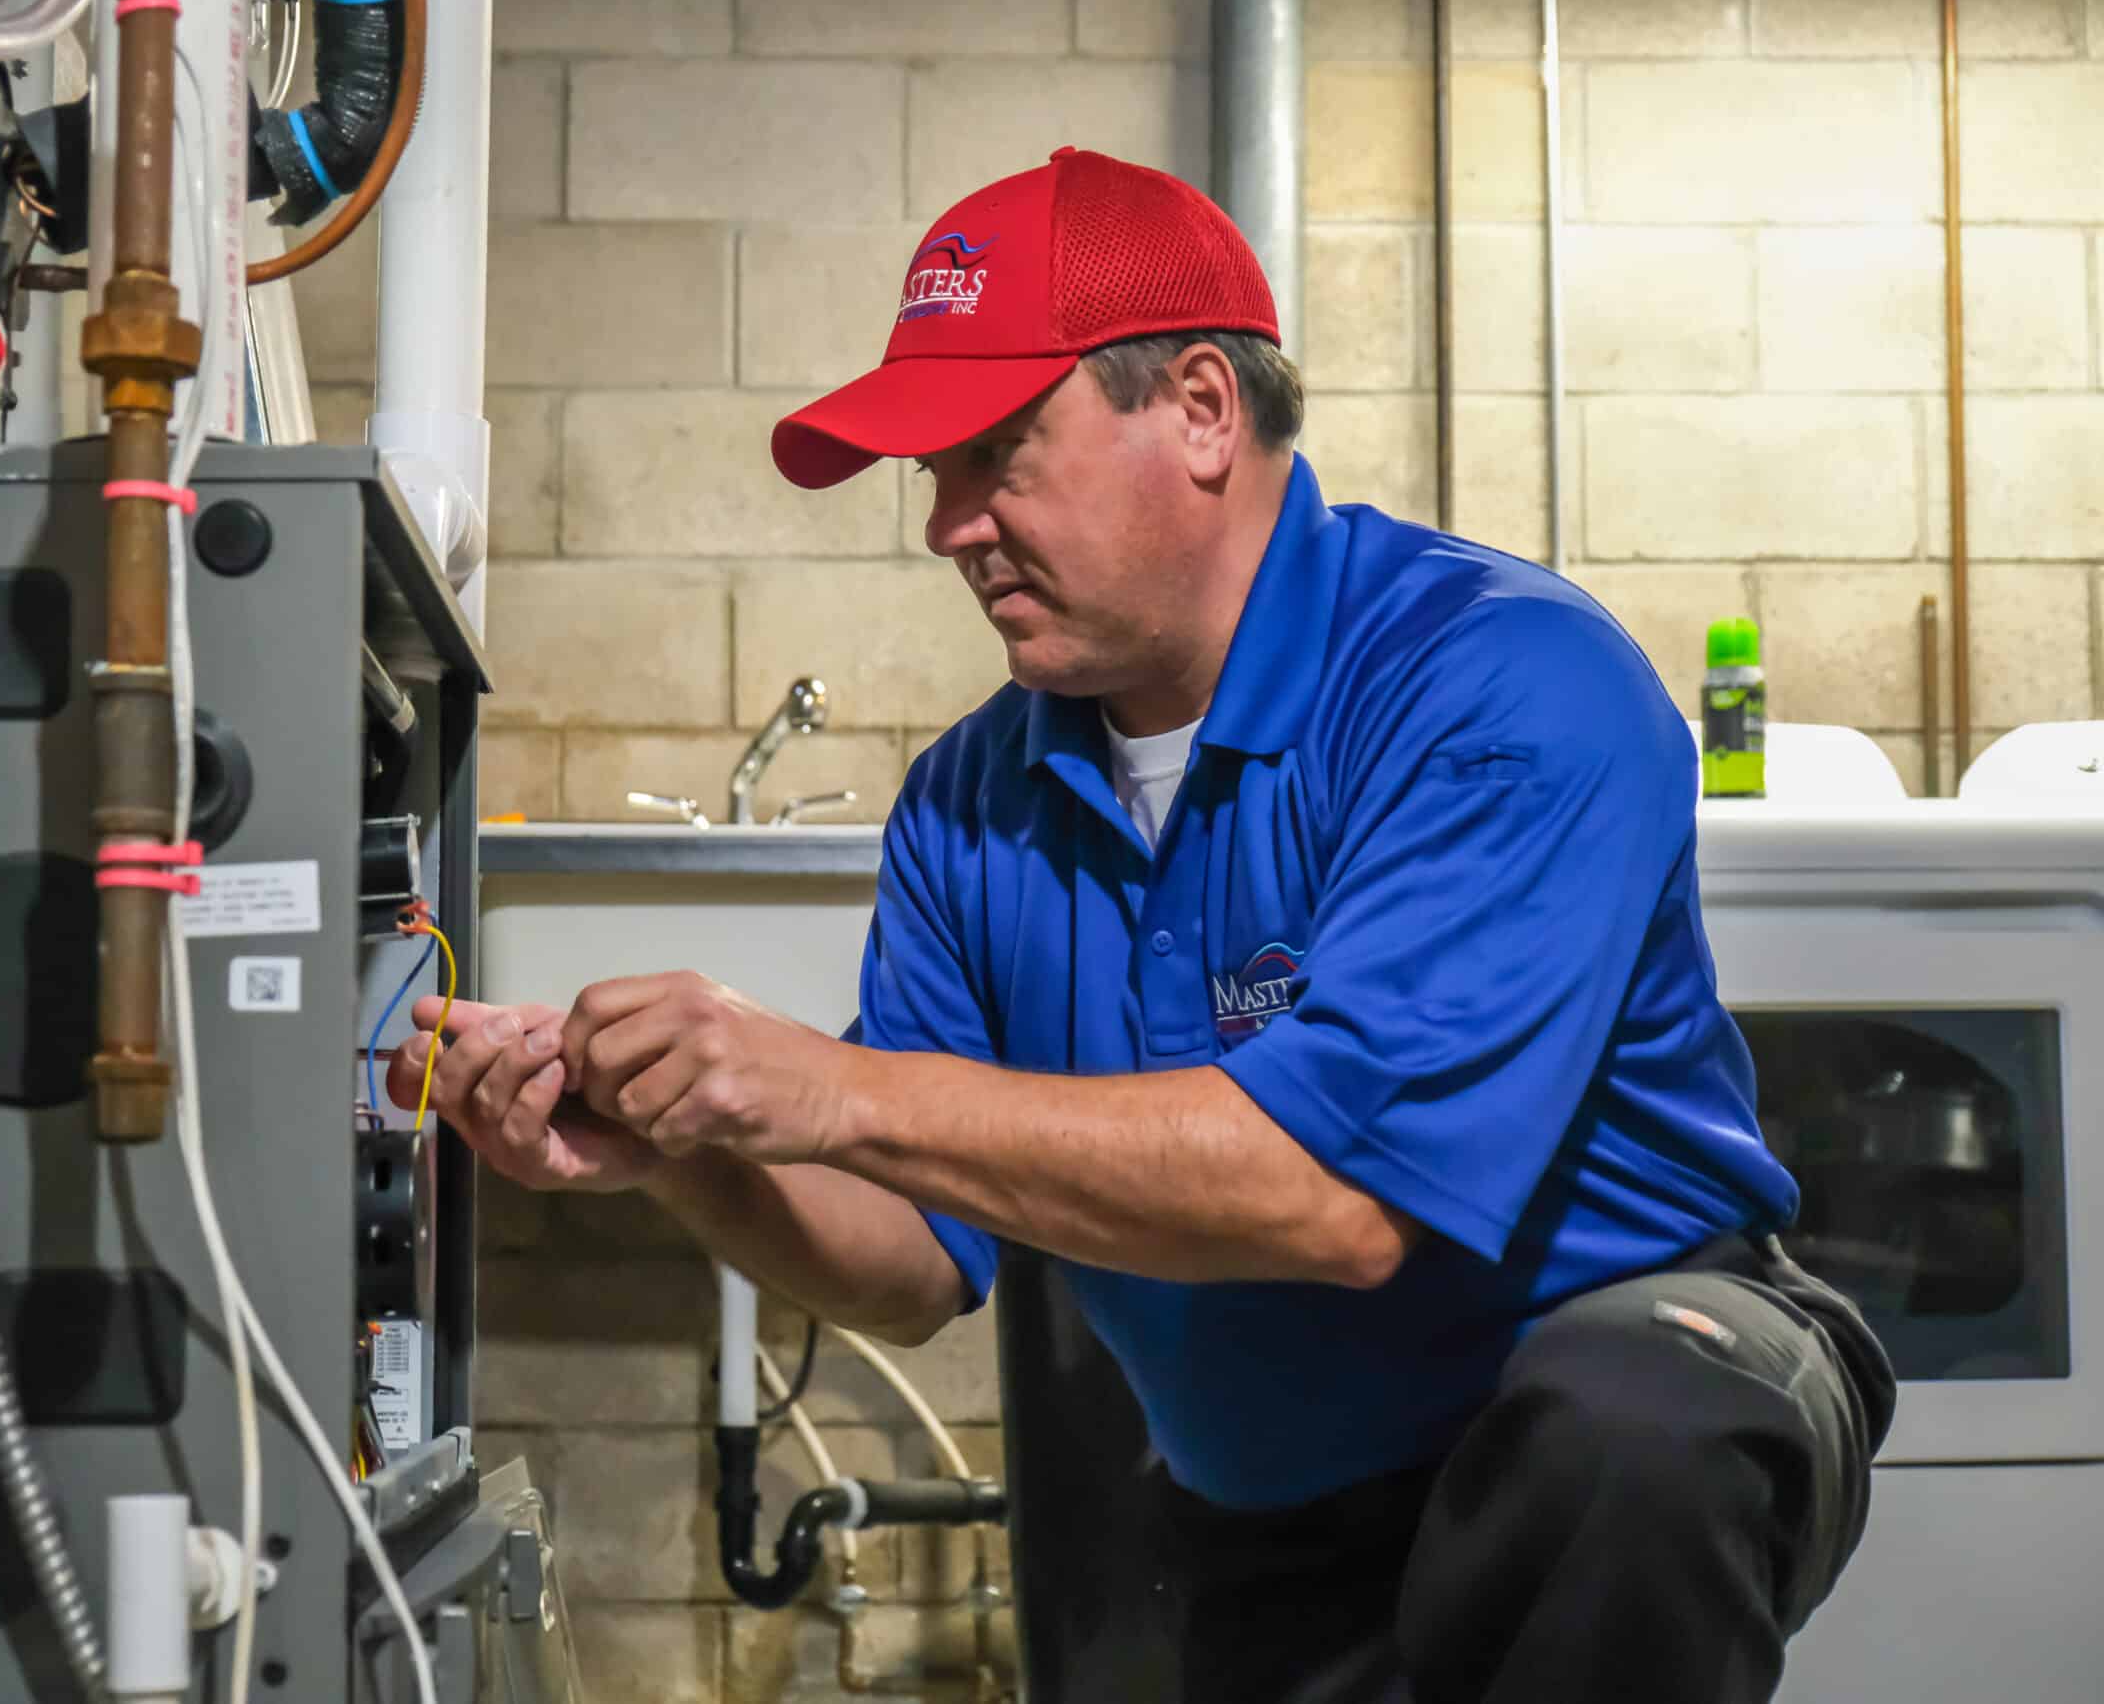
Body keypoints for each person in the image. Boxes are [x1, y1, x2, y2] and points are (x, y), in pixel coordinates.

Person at [392, 147, 1895, 1704]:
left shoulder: (1500, 688)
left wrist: (815, 1083)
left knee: (1624, 1435)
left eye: (993, 454)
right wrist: (689, 1147)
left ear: (1198, 409)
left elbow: (1336, 1200)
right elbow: (912, 1260)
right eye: (934, 477)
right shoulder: (973, 798)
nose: (947, 527)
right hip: (1278, 1494)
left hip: (1624, 1400)